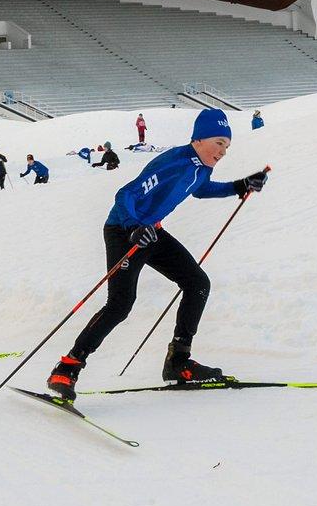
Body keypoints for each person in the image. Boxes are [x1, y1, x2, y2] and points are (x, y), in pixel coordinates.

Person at [47, 107, 270, 400]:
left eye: (227, 145)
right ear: (199, 139)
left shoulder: (202, 166)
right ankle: (68, 367)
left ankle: (178, 362)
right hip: (123, 230)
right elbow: (126, 194)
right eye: (219, 142)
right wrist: (133, 227)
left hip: (150, 231)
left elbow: (200, 189)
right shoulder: (174, 163)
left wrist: (238, 186)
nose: (223, 151)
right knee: (120, 305)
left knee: (197, 283)